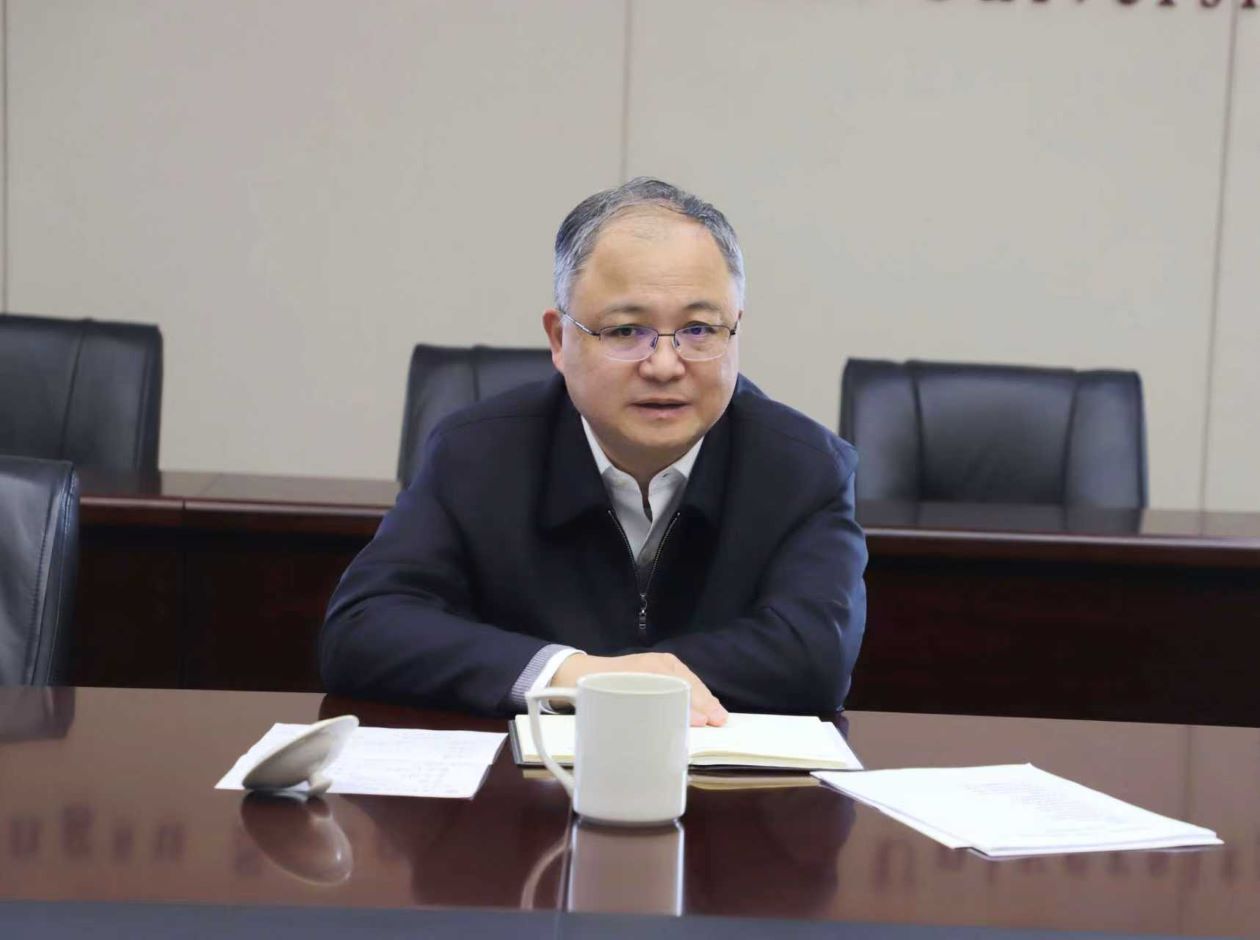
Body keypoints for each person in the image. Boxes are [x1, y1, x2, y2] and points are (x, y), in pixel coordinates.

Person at [320, 178, 867, 725]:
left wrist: (613, 680)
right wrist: (567, 674)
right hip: (523, 777)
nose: (664, 365)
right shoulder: (476, 455)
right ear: (560, 340)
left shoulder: (804, 468)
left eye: (699, 329)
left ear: (736, 331)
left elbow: (814, 656)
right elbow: (363, 627)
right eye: (626, 330)